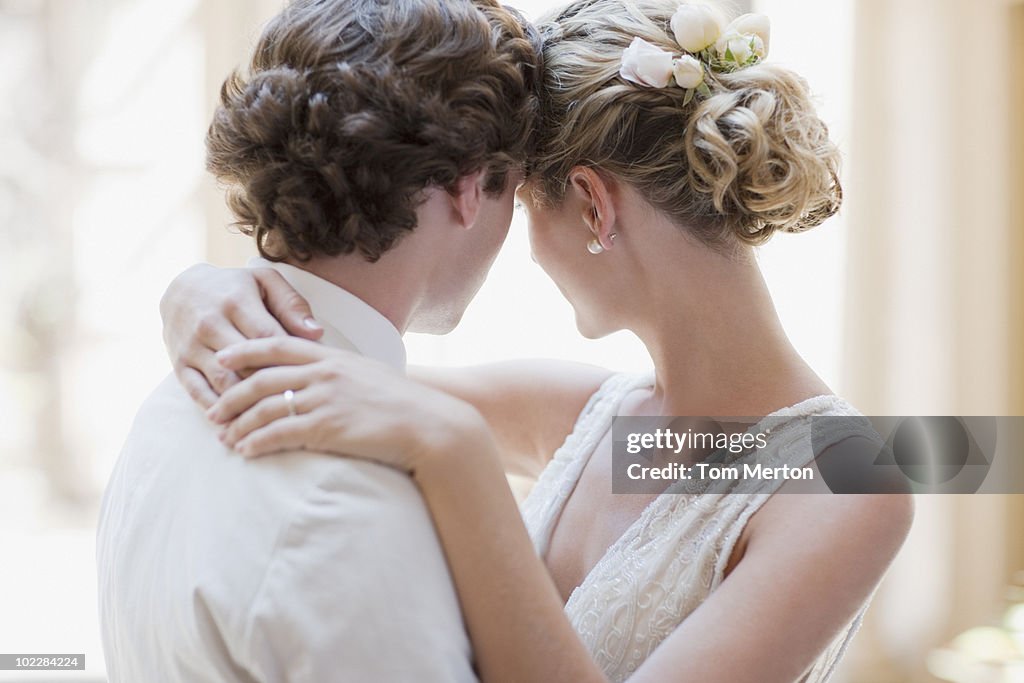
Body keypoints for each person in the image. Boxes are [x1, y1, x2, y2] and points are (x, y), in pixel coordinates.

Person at [159, 1, 915, 681]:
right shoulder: (586, 415)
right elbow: (323, 371)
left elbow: (401, 413)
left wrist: (458, 457)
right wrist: (200, 288)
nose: (518, 243)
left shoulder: (849, 486)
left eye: (518, 202)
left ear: (591, 205)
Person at [96, 0, 539, 681]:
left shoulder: (166, 408)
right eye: (526, 192)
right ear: (468, 186)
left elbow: (725, 447)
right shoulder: (351, 510)